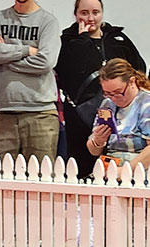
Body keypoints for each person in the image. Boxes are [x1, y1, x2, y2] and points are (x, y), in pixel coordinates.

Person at [56, 0, 145, 179]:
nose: (90, 18)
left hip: (124, 111)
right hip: (80, 114)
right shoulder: (67, 41)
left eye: (95, 12)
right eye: (84, 13)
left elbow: (139, 67)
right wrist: (83, 41)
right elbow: (65, 74)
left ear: (102, 13)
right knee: (83, 164)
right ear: (76, 14)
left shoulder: (118, 38)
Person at [0, 0, 61, 164]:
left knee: (40, 180)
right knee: (2, 178)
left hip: (41, 114)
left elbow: (45, 62)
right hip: (6, 113)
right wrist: (26, 50)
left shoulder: (48, 21)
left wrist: (5, 58)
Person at [86, 58, 150, 170]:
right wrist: (98, 141)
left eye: (118, 92)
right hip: (111, 166)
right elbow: (93, 151)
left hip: (139, 168)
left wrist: (125, 171)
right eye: (107, 93)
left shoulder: (146, 103)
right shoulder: (107, 103)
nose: (113, 98)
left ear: (132, 82)